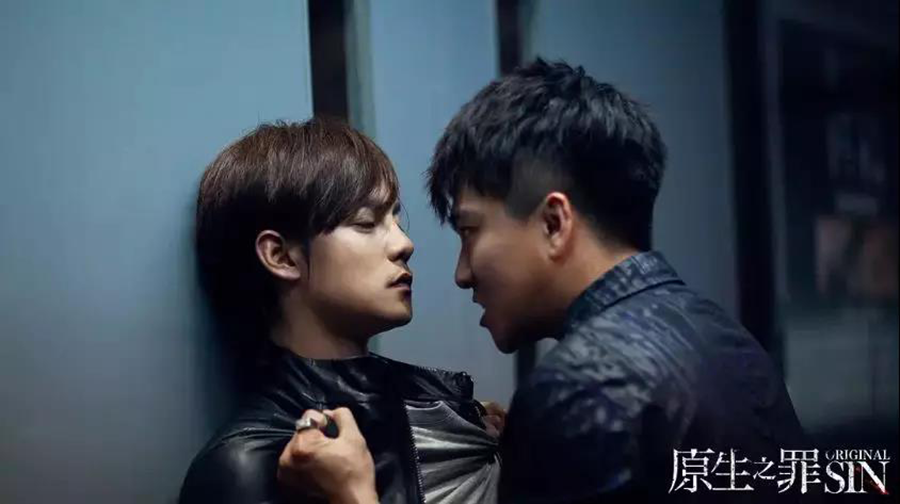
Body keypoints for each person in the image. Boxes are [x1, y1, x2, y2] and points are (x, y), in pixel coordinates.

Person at [276, 59, 807, 503]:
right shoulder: (724, 336)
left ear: (554, 224)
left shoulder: (582, 386)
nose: (462, 274)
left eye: (470, 231)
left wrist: (354, 497)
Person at [179, 119, 503, 504]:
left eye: (395, 220)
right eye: (366, 223)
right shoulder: (246, 467)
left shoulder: (449, 416)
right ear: (281, 256)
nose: (404, 243)